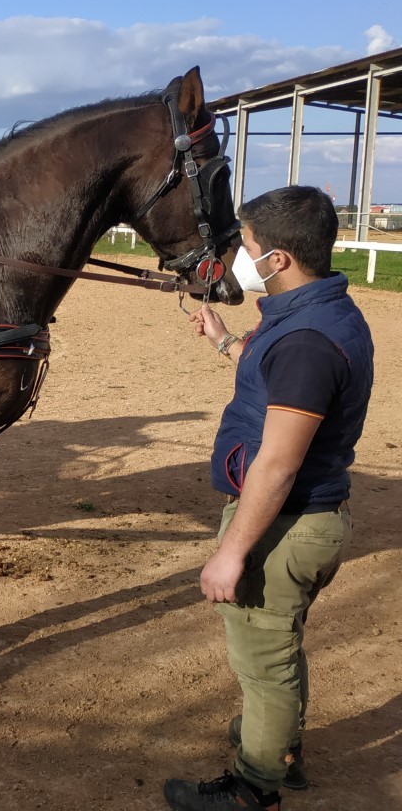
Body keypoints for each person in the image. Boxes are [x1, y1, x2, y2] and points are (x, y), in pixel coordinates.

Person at [164, 185, 374, 811]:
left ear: (279, 259)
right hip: (304, 517)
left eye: (249, 247)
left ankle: (255, 789)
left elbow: (279, 464)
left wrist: (231, 552)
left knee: (264, 664)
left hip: (286, 523)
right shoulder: (316, 312)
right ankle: (283, 749)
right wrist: (227, 341)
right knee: (279, 646)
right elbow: (277, 378)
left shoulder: (307, 342)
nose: (240, 259)